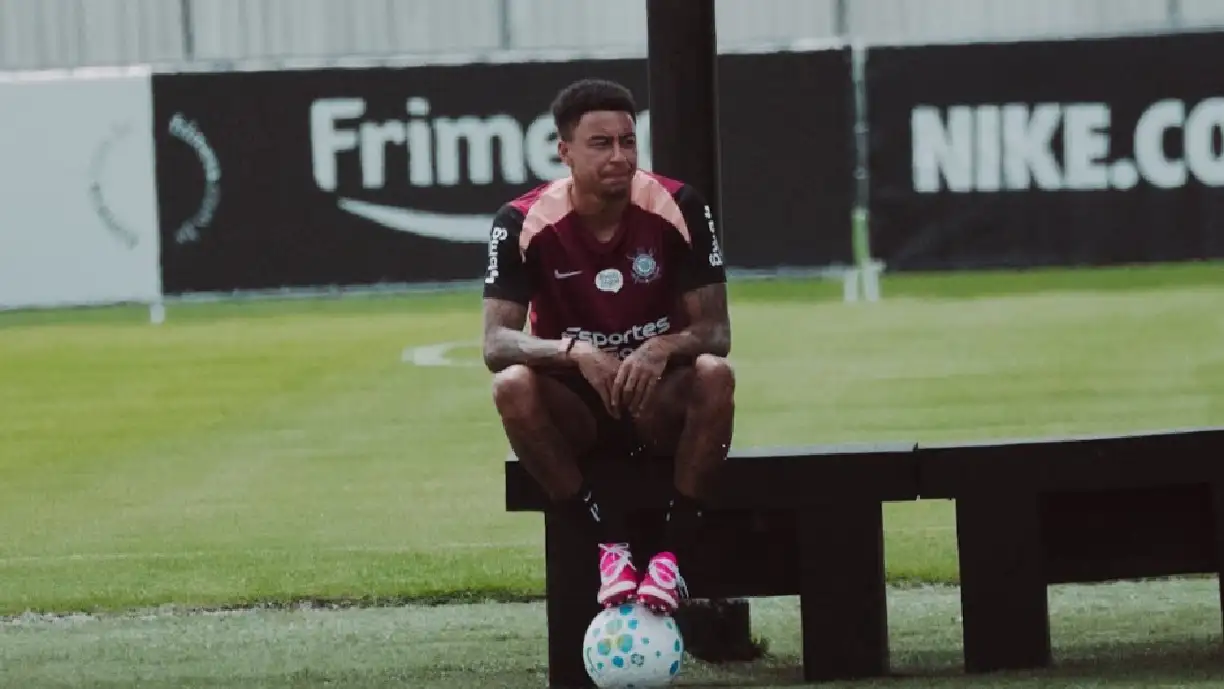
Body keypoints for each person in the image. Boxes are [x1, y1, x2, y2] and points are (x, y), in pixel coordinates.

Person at [481, 78, 735, 616]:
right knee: (511, 387)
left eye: (628, 141)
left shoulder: (678, 205)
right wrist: (574, 352)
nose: (619, 155)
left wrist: (661, 348)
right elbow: (496, 343)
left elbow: (717, 332)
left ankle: (671, 556)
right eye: (601, 144)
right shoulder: (521, 222)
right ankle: (606, 546)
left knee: (714, 374)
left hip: (655, 402)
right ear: (564, 151)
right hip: (578, 408)